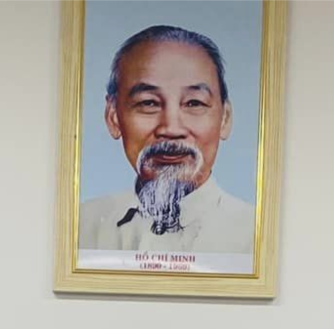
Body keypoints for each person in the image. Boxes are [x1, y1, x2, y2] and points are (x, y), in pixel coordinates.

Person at [77, 24, 256, 258]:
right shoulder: (80, 228)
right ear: (113, 117)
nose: (171, 129)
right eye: (148, 103)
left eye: (194, 103)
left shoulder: (256, 237)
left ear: (225, 118)